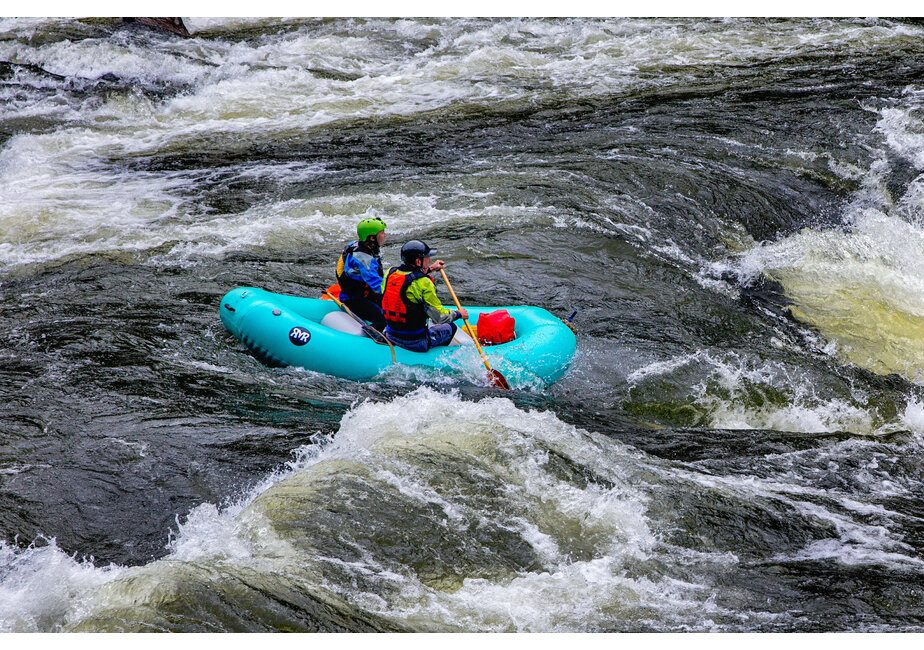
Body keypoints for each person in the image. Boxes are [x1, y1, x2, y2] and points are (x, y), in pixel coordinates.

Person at [381, 240, 468, 353]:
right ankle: (439, 354)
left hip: (390, 334)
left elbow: (409, 280)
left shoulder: (390, 273)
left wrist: (430, 268)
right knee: (451, 327)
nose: (430, 260)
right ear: (418, 261)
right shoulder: (424, 283)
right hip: (416, 342)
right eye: (427, 258)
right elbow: (440, 317)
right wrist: (459, 314)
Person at [335, 217, 387, 331]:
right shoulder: (364, 259)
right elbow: (377, 285)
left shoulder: (357, 244)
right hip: (353, 300)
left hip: (365, 293)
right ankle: (369, 336)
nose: (385, 235)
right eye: (382, 233)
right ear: (372, 238)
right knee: (384, 319)